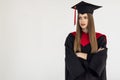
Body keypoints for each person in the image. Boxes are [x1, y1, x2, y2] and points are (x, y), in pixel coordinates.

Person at [64, 1, 108, 80]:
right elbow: (70, 60)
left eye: (85, 17)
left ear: (90, 19)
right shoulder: (71, 38)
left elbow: (100, 62)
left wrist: (80, 55)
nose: (82, 21)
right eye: (80, 18)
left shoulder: (100, 39)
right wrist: (92, 57)